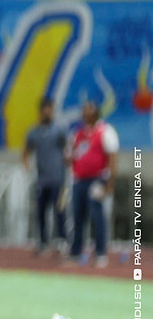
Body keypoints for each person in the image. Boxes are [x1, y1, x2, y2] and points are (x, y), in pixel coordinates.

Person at [67, 100, 119, 268]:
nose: (84, 114)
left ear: (96, 113)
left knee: (97, 216)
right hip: (79, 180)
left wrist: (109, 184)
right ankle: (75, 252)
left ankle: (100, 253)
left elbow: (113, 158)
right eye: (83, 111)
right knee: (77, 216)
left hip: (97, 179)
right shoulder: (77, 133)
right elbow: (70, 155)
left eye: (88, 110)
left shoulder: (105, 131)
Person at [22, 97, 68, 254]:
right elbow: (25, 154)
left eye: (51, 109)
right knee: (41, 211)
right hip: (42, 180)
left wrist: (67, 171)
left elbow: (67, 151)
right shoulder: (34, 133)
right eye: (45, 109)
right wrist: (29, 171)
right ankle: (42, 241)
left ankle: (61, 239)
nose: (48, 112)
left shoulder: (59, 131)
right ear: (41, 111)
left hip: (58, 179)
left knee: (60, 210)